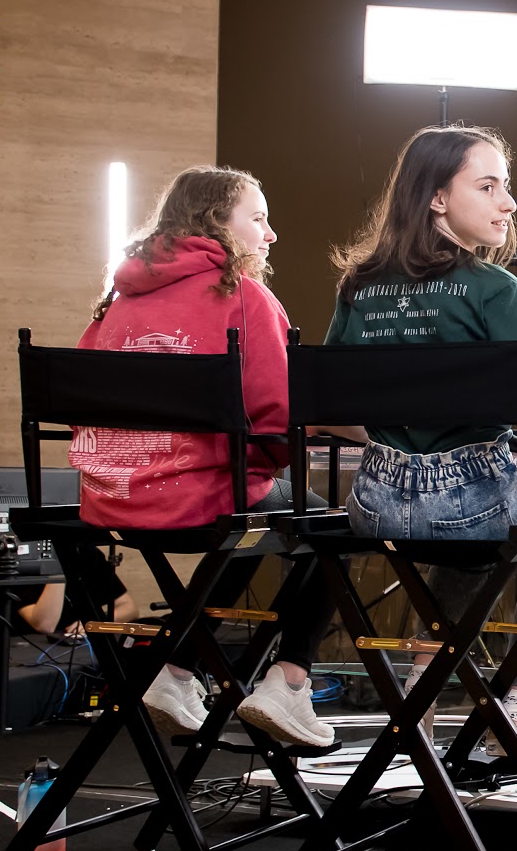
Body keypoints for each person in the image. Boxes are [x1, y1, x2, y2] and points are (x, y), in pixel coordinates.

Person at [327, 124, 517, 754]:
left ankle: (421, 685)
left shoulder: (359, 287)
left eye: (507, 188)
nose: (509, 202)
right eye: (489, 185)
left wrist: (399, 441)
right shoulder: (497, 290)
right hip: (477, 501)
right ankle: (515, 698)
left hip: (376, 506)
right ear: (437, 197)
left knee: (469, 539)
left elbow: (325, 410)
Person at [73, 165, 333, 748]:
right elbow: (277, 413)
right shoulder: (241, 295)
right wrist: (271, 462)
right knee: (330, 529)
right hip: (197, 502)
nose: (270, 236)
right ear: (217, 222)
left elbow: (80, 404)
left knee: (254, 514)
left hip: (108, 499)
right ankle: (289, 682)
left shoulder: (116, 300)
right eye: (259, 219)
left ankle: (175, 670)